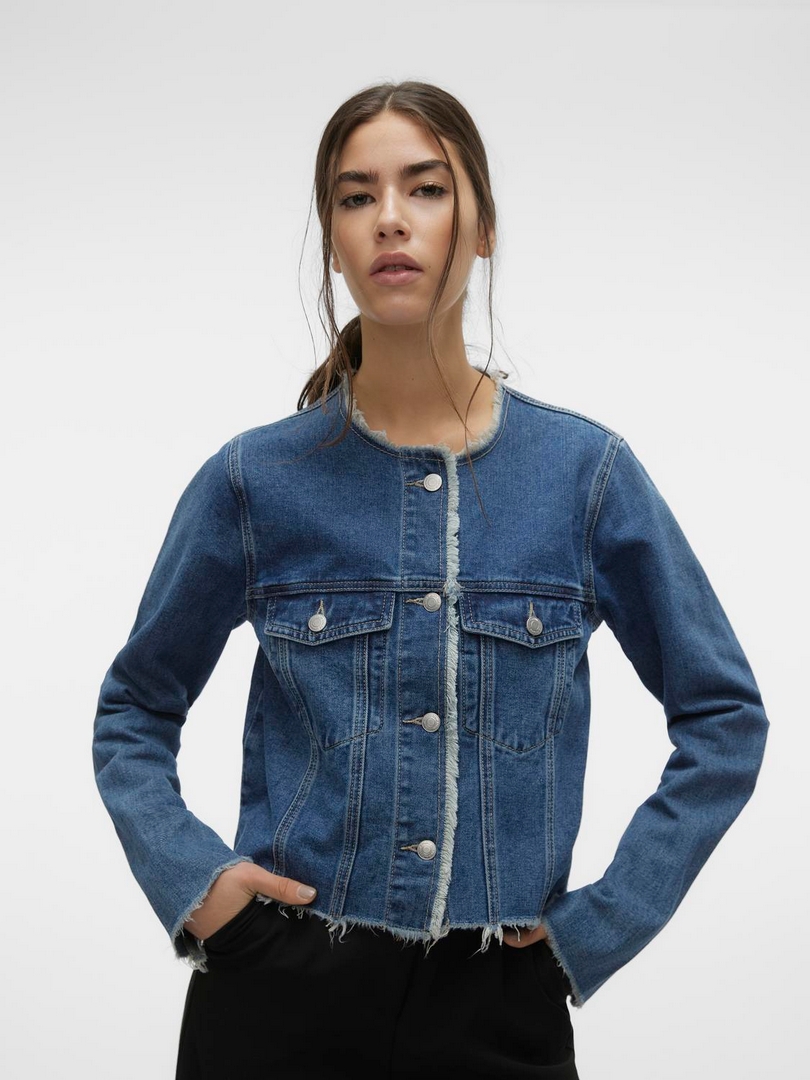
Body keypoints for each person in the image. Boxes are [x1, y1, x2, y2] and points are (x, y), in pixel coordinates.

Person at [92, 80, 770, 1079]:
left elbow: (724, 717)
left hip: (499, 1002)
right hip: (277, 990)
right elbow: (133, 710)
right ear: (332, 240)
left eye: (425, 188)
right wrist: (199, 888)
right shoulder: (254, 480)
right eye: (356, 196)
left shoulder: (584, 478)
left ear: (482, 227)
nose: (390, 219)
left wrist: (596, 930)